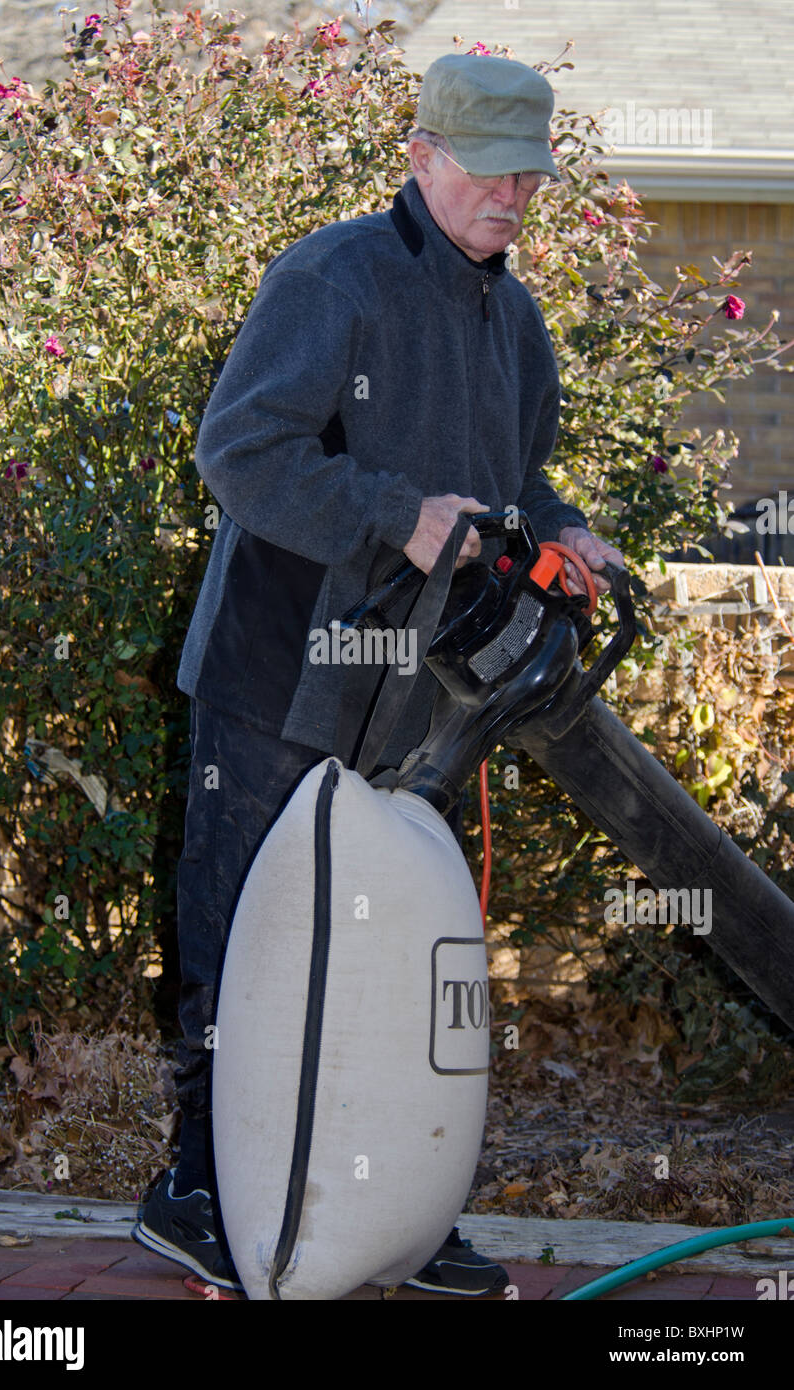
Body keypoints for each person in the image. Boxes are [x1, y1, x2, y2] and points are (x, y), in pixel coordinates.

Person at [132, 51, 625, 1298]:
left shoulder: (515, 325)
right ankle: (194, 1188)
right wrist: (395, 515)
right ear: (422, 156)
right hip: (276, 679)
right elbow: (239, 454)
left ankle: (393, 1204)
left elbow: (519, 482)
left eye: (531, 174)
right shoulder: (331, 276)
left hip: (418, 707)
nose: (514, 194)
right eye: (492, 169)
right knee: (241, 932)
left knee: (398, 959)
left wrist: (558, 532)